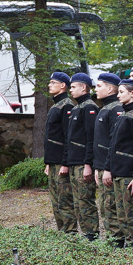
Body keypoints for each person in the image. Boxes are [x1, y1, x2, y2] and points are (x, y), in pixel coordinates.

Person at [106, 79, 133, 248]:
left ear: (132, 93)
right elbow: (113, 145)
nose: (118, 95)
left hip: (128, 173)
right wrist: (108, 168)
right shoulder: (123, 114)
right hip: (117, 171)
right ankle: (129, 247)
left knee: (131, 214)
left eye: (121, 92)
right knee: (121, 213)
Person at [63, 72, 100, 240]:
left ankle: (91, 235)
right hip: (73, 162)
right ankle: (85, 234)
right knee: (77, 202)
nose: (71, 90)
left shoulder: (89, 107)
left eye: (73, 87)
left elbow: (91, 137)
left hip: (82, 164)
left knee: (85, 201)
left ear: (84, 87)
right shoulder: (76, 108)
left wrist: (88, 164)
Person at [91, 73, 123, 240]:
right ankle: (112, 240)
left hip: (110, 168)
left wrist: (107, 168)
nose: (96, 89)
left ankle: (117, 241)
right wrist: (97, 166)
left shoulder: (116, 109)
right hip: (102, 166)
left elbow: (113, 142)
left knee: (111, 206)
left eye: (99, 86)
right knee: (104, 206)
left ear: (110, 89)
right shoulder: (104, 108)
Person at [44, 71, 77, 234]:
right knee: (56, 201)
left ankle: (70, 234)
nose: (49, 85)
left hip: (61, 163)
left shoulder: (67, 105)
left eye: (52, 82)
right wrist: (48, 163)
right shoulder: (56, 105)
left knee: (65, 201)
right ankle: (61, 233)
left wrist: (65, 163)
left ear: (63, 85)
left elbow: (67, 137)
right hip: (53, 162)